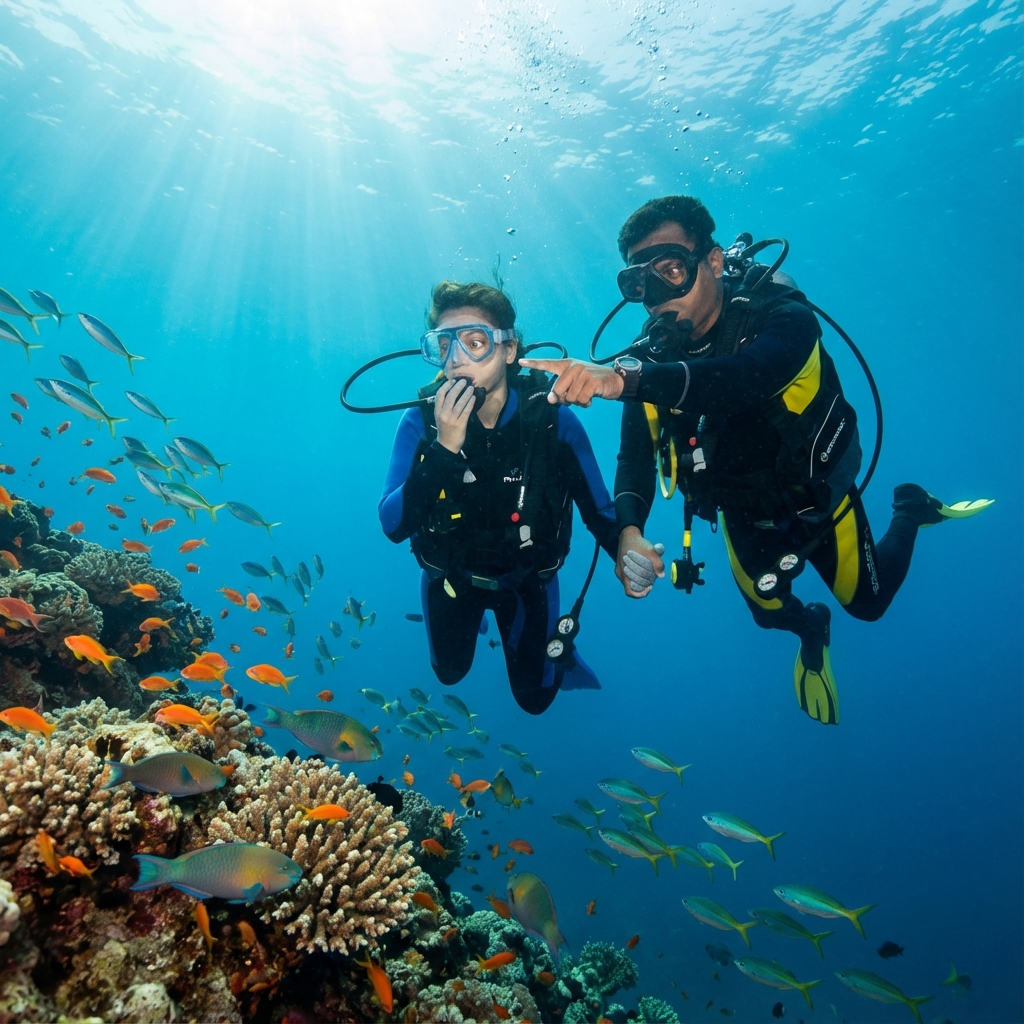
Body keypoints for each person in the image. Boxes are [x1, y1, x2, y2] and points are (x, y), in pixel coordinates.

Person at [521, 195, 992, 725]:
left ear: (715, 262)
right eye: (638, 283)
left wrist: (623, 380)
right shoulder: (649, 360)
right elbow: (634, 457)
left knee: (869, 604)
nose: (654, 297)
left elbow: (745, 380)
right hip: (741, 513)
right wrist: (628, 531)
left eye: (671, 270)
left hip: (818, 499)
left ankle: (910, 508)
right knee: (769, 616)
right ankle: (811, 628)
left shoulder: (784, 318)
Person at [379, 281, 620, 715]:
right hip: (452, 578)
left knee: (535, 700)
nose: (457, 360)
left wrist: (629, 545)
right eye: (444, 346)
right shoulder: (421, 422)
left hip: (528, 583)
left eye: (475, 342)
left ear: (509, 351)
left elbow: (601, 512)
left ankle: (559, 657)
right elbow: (393, 525)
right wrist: (444, 449)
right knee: (448, 673)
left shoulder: (551, 421)